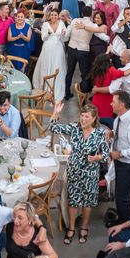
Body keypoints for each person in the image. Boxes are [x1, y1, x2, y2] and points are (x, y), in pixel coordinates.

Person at [49, 102, 109, 245]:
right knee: (74, 200)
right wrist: (56, 112)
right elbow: (52, 127)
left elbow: (106, 154)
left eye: (86, 116)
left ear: (94, 118)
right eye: (82, 115)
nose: (83, 119)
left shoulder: (100, 133)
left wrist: (96, 158)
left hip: (90, 174)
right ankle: (71, 228)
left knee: (87, 202)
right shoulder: (74, 128)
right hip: (74, 170)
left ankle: (83, 227)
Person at [109, 90, 130, 224]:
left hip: (129, 165)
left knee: (122, 196)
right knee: (119, 194)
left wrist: (120, 153)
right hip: (120, 161)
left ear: (122, 104)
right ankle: (121, 219)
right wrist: (112, 134)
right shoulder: (119, 118)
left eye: (114, 101)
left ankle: (125, 224)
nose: (111, 104)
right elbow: (121, 134)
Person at [89, 54, 130, 128]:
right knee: (106, 121)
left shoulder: (97, 70)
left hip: (96, 99)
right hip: (106, 101)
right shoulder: (111, 70)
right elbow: (125, 73)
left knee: (96, 119)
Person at [33, 9, 67, 101]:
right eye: (52, 15)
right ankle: (45, 87)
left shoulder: (62, 24)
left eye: (55, 15)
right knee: (46, 66)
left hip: (58, 49)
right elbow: (43, 38)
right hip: (47, 48)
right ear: (49, 16)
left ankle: (55, 87)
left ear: (58, 16)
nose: (53, 17)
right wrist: (48, 34)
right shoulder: (45, 24)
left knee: (57, 66)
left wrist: (63, 35)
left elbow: (64, 39)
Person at [63, 7, 93, 100]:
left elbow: (67, 36)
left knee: (69, 72)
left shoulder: (75, 21)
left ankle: (67, 93)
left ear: (82, 13)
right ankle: (83, 98)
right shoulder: (93, 25)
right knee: (84, 74)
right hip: (84, 50)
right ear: (91, 14)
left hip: (72, 48)